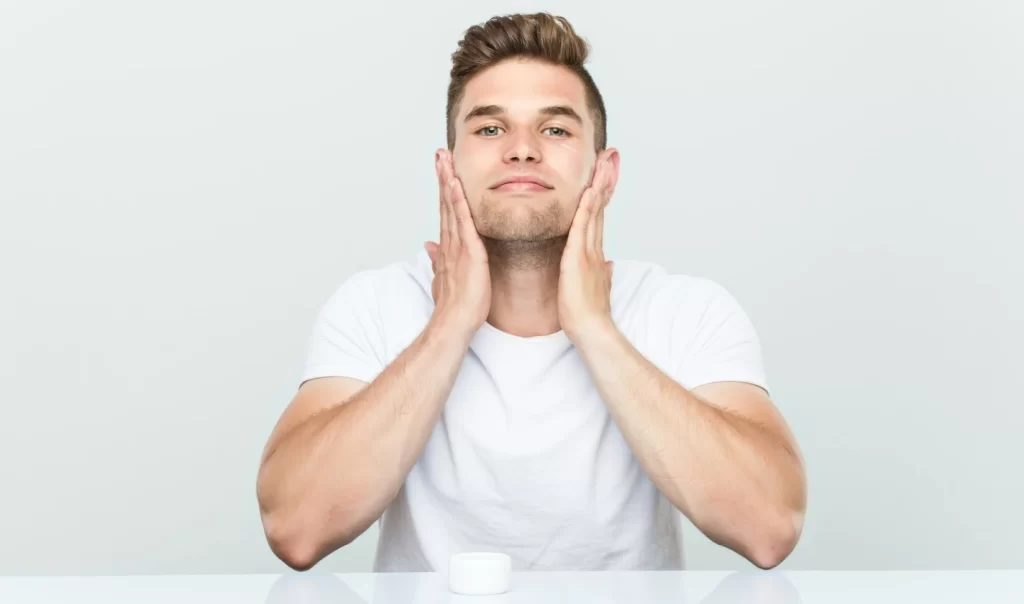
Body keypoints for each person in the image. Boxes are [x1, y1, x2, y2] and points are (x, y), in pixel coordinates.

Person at [255, 12, 807, 573]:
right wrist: (451, 324)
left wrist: (594, 327)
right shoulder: (373, 306)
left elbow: (768, 528)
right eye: (490, 129)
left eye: (556, 129)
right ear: (449, 167)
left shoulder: (687, 311)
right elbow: (297, 530)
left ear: (605, 172)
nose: (522, 150)